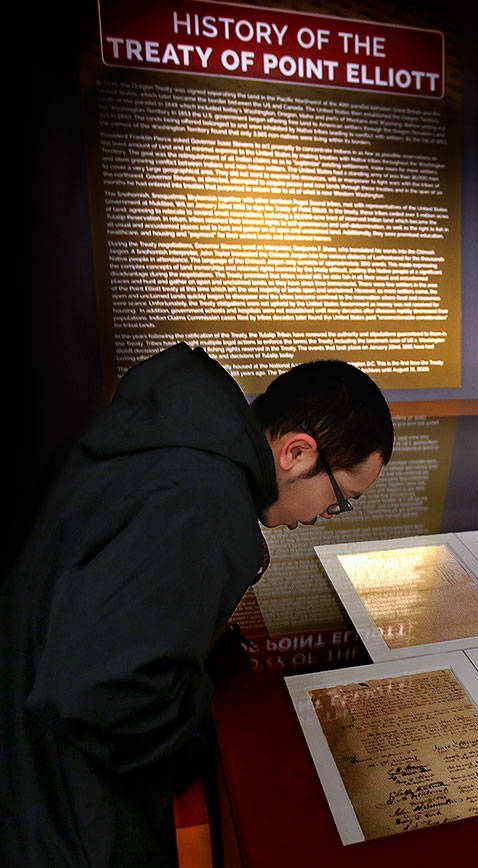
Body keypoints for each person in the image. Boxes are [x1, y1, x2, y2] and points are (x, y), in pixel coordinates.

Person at [0, 342, 393, 866]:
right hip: (60, 809)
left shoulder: (181, 446)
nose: (327, 513)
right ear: (296, 452)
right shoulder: (204, 505)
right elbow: (102, 690)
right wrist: (205, 711)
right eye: (341, 498)